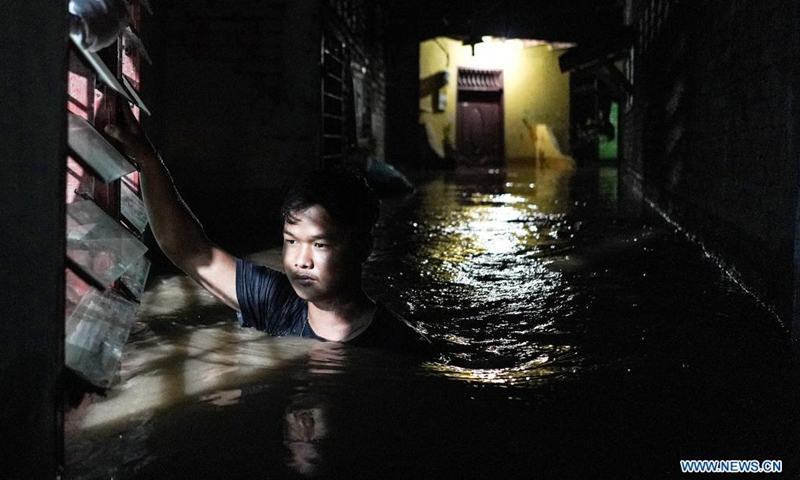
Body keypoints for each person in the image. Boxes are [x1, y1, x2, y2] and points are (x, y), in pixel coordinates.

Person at [105, 107, 432, 356]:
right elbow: (189, 250)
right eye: (291, 241)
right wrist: (148, 161)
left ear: (363, 247)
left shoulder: (399, 346)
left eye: (319, 245)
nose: (301, 261)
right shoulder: (275, 302)